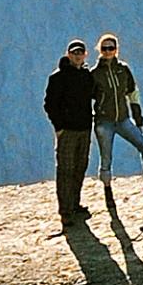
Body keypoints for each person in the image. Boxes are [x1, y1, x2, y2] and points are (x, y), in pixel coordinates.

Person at [92, 33, 143, 202]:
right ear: (100, 50)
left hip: (123, 119)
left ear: (116, 50)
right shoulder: (94, 74)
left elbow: (132, 93)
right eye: (104, 48)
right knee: (106, 159)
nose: (108, 51)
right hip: (104, 122)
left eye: (111, 48)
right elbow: (86, 97)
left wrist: (138, 117)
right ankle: (108, 192)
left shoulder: (123, 69)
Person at [43, 39, 97, 224]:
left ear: (85, 55)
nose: (77, 55)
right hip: (67, 131)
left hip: (84, 128)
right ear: (68, 54)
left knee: (80, 167)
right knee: (66, 170)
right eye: (74, 53)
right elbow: (50, 105)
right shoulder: (57, 77)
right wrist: (58, 127)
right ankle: (65, 211)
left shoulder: (87, 75)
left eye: (80, 52)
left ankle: (75, 204)